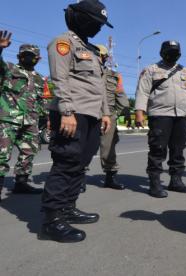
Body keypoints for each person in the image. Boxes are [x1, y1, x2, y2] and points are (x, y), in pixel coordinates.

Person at [40, 0, 112, 243]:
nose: (99, 28)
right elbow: (58, 79)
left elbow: (99, 86)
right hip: (72, 113)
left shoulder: (91, 50)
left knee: (80, 164)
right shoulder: (63, 42)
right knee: (66, 162)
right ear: (82, 18)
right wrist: (67, 112)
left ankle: (67, 208)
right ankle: (52, 219)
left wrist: (105, 112)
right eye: (96, 23)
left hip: (91, 115)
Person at [135, 40, 186, 198]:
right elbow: (142, 91)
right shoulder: (151, 70)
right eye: (169, 51)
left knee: (179, 149)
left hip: (183, 116)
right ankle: (155, 183)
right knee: (158, 149)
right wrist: (139, 112)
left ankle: (176, 181)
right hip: (160, 114)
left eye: (175, 52)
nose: (172, 55)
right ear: (162, 53)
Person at [0, 31, 48, 201]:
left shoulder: (41, 79)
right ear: (19, 56)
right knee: (2, 154)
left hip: (31, 121)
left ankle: (21, 183)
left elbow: (43, 101)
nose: (28, 58)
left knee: (29, 152)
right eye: (25, 55)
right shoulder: (9, 69)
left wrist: (47, 118)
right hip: (8, 119)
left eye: (32, 56)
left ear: (38, 59)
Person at [96, 44, 129, 190]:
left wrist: (122, 113)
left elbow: (121, 96)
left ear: (105, 58)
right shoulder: (84, 73)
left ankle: (110, 177)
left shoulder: (115, 76)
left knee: (108, 148)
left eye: (100, 56)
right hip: (87, 114)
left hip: (108, 116)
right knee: (81, 148)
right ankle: (79, 180)